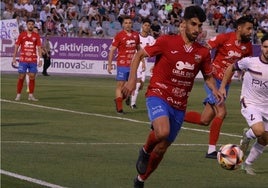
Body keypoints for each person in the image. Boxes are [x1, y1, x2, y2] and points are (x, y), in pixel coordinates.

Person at [121, 6, 223, 187]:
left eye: (199, 26)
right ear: (183, 24)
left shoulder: (203, 52)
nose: (197, 29)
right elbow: (138, 55)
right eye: (193, 24)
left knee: (162, 148)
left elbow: (208, 76)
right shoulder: (166, 41)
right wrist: (131, 80)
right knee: (162, 131)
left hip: (180, 104)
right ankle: (145, 150)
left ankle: (141, 180)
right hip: (158, 94)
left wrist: (214, 89)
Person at [184, 16, 254, 159]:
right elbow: (205, 49)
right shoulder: (224, 37)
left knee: (204, 120)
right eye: (248, 28)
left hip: (225, 84)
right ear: (239, 28)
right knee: (221, 112)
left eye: (251, 29)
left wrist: (244, 73)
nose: (251, 32)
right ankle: (211, 150)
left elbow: (247, 65)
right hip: (213, 80)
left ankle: (171, 116)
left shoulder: (248, 47)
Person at [219, 34, 268, 175]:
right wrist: (222, 87)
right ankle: (247, 135)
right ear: (261, 47)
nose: (267, 50)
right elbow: (230, 68)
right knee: (258, 131)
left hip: (266, 106)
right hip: (250, 102)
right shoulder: (249, 62)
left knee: (264, 140)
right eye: (265, 47)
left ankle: (247, 164)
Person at [107, 15, 140, 114]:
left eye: (129, 23)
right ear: (122, 24)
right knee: (120, 85)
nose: (128, 25)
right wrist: (109, 64)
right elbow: (112, 50)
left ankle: (118, 100)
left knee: (132, 87)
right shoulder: (119, 35)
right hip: (122, 64)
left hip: (132, 65)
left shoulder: (135, 35)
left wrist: (142, 61)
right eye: (126, 23)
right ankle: (120, 109)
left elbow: (139, 50)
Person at [126, 18, 155, 109]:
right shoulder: (136, 36)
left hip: (144, 63)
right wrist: (142, 61)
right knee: (138, 83)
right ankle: (133, 104)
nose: (147, 27)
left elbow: (156, 50)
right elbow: (137, 51)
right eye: (145, 25)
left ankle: (128, 95)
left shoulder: (151, 39)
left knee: (141, 85)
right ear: (142, 26)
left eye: (148, 26)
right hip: (136, 62)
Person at [13, 19, 42, 101]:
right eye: (29, 24)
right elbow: (17, 46)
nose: (31, 26)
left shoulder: (36, 36)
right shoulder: (22, 35)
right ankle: (18, 94)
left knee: (32, 76)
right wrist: (14, 57)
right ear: (27, 25)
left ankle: (31, 95)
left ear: (33, 26)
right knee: (21, 76)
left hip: (33, 59)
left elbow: (39, 48)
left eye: (32, 24)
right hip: (23, 59)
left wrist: (40, 59)